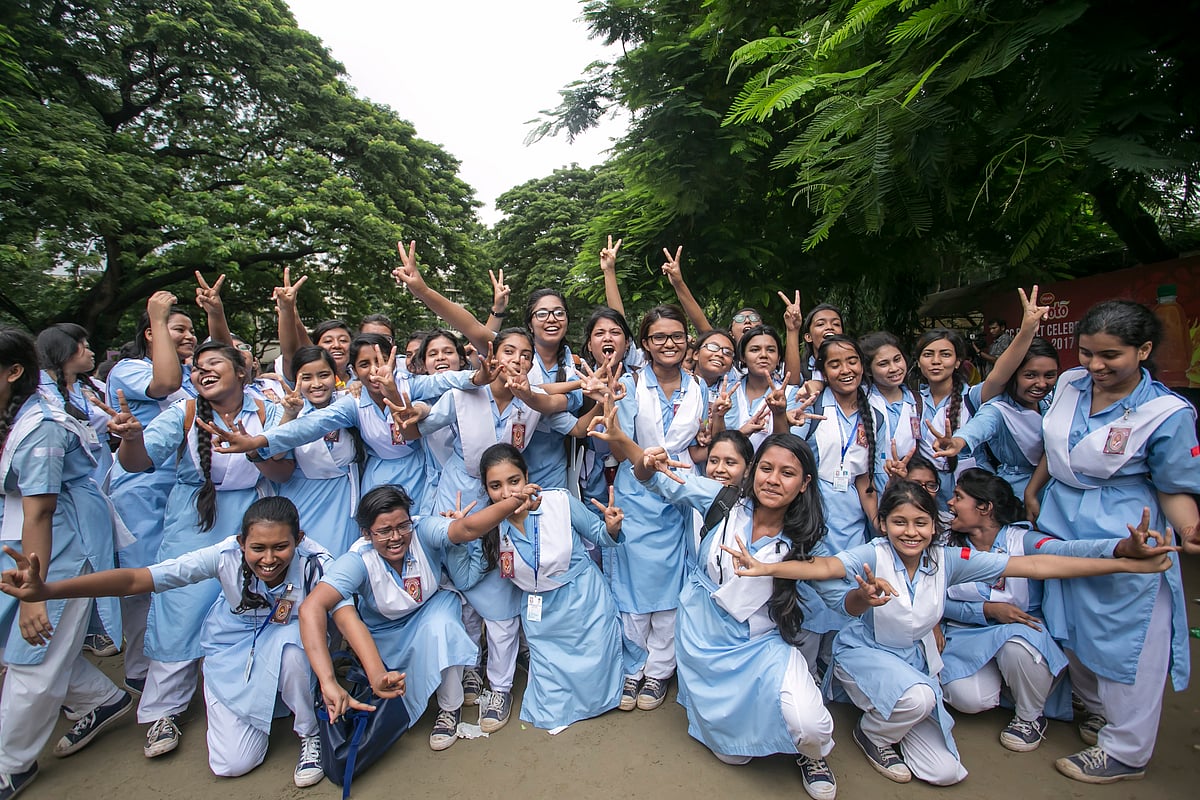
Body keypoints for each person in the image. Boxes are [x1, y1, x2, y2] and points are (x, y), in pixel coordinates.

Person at [723, 478, 1173, 786]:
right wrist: (766, 566)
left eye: (921, 522)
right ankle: (874, 735)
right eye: (899, 522)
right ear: (883, 525)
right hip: (866, 657)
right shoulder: (873, 554)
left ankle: (891, 724)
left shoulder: (948, 559)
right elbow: (821, 568)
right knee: (916, 699)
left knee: (943, 772)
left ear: (935, 525)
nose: (911, 532)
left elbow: (1037, 563)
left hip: (914, 663)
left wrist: (1120, 557)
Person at [2, 497, 332, 787]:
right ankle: (275, 701)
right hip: (233, 649)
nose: (269, 559)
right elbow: (136, 579)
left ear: (298, 540)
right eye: (258, 548)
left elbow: (348, 610)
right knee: (232, 764)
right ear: (241, 541)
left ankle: (310, 733)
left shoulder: (316, 562)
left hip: (293, 643)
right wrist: (47, 591)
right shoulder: (223, 555)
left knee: (291, 647)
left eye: (281, 547)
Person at [1024, 299, 1200, 783]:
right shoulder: (1067, 384)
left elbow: (1174, 486)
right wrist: (1035, 489)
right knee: (1070, 624)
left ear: (1143, 350)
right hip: (1061, 521)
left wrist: (1187, 530)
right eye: (1085, 353)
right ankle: (1099, 711)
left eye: (1110, 356)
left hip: (1127, 529)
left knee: (1128, 639)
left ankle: (1127, 751)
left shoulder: (1164, 412)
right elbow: (1056, 449)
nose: (1095, 366)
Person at [627, 432, 840, 800]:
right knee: (733, 757)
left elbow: (841, 599)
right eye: (766, 468)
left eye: (787, 473)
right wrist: (629, 447)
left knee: (810, 726)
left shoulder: (807, 539)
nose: (773, 480)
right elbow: (655, 478)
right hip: (704, 638)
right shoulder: (722, 501)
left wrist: (865, 598)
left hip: (761, 644)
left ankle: (812, 755)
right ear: (753, 471)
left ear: (805, 483)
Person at [111, 341, 293, 759]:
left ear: (242, 373)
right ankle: (165, 710)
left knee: (249, 606)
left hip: (253, 518)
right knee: (181, 609)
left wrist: (256, 449)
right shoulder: (185, 413)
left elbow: (284, 472)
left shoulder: (265, 407)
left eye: (214, 365)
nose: (202, 372)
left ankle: (260, 696)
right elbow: (136, 464)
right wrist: (131, 439)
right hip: (194, 519)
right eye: (196, 368)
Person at [299, 484, 533, 751]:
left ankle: (450, 708)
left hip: (431, 608)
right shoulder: (358, 559)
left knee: (442, 625)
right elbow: (310, 608)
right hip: (387, 633)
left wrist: (513, 502)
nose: (396, 537)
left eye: (402, 526)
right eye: (384, 531)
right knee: (394, 684)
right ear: (366, 533)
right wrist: (328, 682)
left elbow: (466, 529)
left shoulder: (422, 530)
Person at [0, 329, 130, 800]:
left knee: (34, 652)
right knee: (27, 645)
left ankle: (10, 765)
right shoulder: (18, 415)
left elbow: (40, 510)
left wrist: (38, 595)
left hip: (59, 547)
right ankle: (100, 698)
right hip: (25, 541)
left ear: (14, 373)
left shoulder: (43, 427)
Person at [475, 444, 626, 730]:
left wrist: (611, 528)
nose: (507, 493)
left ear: (527, 476)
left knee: (597, 684)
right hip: (541, 616)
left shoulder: (559, 501)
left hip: (584, 603)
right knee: (550, 707)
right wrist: (453, 538)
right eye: (496, 486)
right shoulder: (489, 525)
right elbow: (469, 575)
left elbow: (598, 535)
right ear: (486, 489)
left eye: (514, 481)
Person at [605, 305, 706, 712]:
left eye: (677, 336)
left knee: (671, 585)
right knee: (632, 583)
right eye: (659, 337)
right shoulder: (627, 386)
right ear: (645, 344)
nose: (670, 343)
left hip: (681, 490)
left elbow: (701, 444)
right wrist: (647, 463)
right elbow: (616, 441)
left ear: (687, 341)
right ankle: (633, 668)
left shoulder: (699, 388)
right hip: (637, 488)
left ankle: (660, 672)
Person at [105, 292, 197, 695]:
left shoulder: (192, 374)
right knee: (143, 581)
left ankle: (171, 662)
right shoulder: (130, 369)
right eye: (179, 330)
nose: (189, 337)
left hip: (177, 491)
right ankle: (140, 671)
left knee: (176, 578)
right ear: (151, 334)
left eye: (190, 331)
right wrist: (159, 316)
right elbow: (165, 383)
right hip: (139, 489)